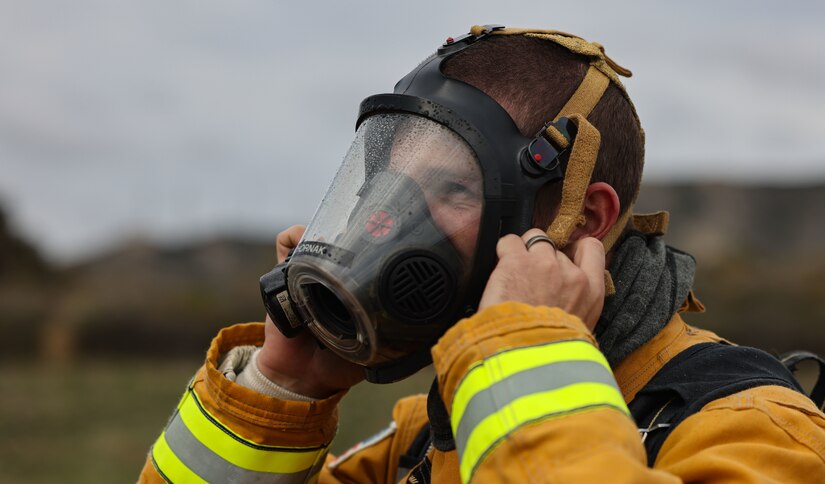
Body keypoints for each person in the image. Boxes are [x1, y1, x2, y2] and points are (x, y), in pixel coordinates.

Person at [140, 26, 825, 483]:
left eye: (447, 189)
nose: (385, 226)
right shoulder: (423, 438)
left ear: (579, 220)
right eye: (390, 189)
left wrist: (525, 355)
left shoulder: (758, 434)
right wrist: (283, 388)